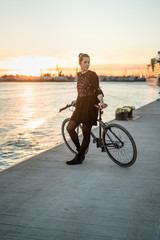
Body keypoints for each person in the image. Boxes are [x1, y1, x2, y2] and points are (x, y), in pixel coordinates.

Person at [66, 53, 107, 165]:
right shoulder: (79, 75)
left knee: (86, 134)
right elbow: (81, 92)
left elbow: (97, 90)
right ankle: (81, 151)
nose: (87, 64)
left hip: (89, 106)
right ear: (80, 63)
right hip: (80, 105)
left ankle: (79, 157)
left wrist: (102, 102)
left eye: (88, 62)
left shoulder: (92, 75)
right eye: (85, 62)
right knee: (70, 128)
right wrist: (76, 100)